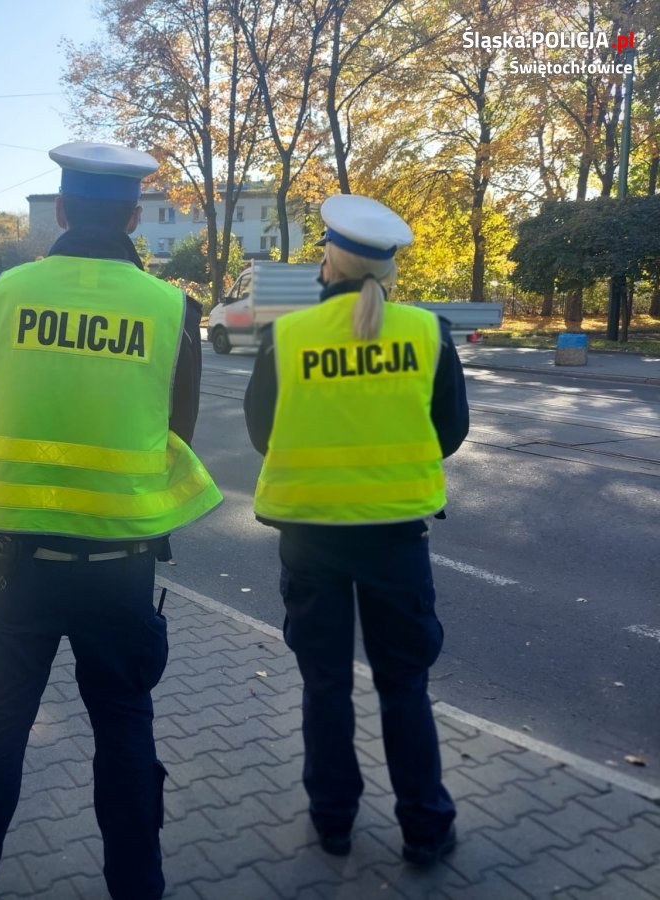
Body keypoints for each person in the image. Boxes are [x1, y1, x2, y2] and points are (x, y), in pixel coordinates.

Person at [0, 143, 222, 900]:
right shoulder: (170, 306)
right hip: (122, 570)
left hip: (22, 565)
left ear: (59, 211)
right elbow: (178, 426)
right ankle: (138, 888)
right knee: (124, 731)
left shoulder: (9, 291)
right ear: (133, 215)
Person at [243, 194, 469, 867]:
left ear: (328, 262)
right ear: (388, 267)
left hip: (311, 539)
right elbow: (450, 431)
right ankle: (425, 828)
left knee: (325, 685)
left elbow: (262, 433)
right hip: (396, 540)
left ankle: (333, 820)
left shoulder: (287, 337)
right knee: (404, 687)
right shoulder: (429, 333)